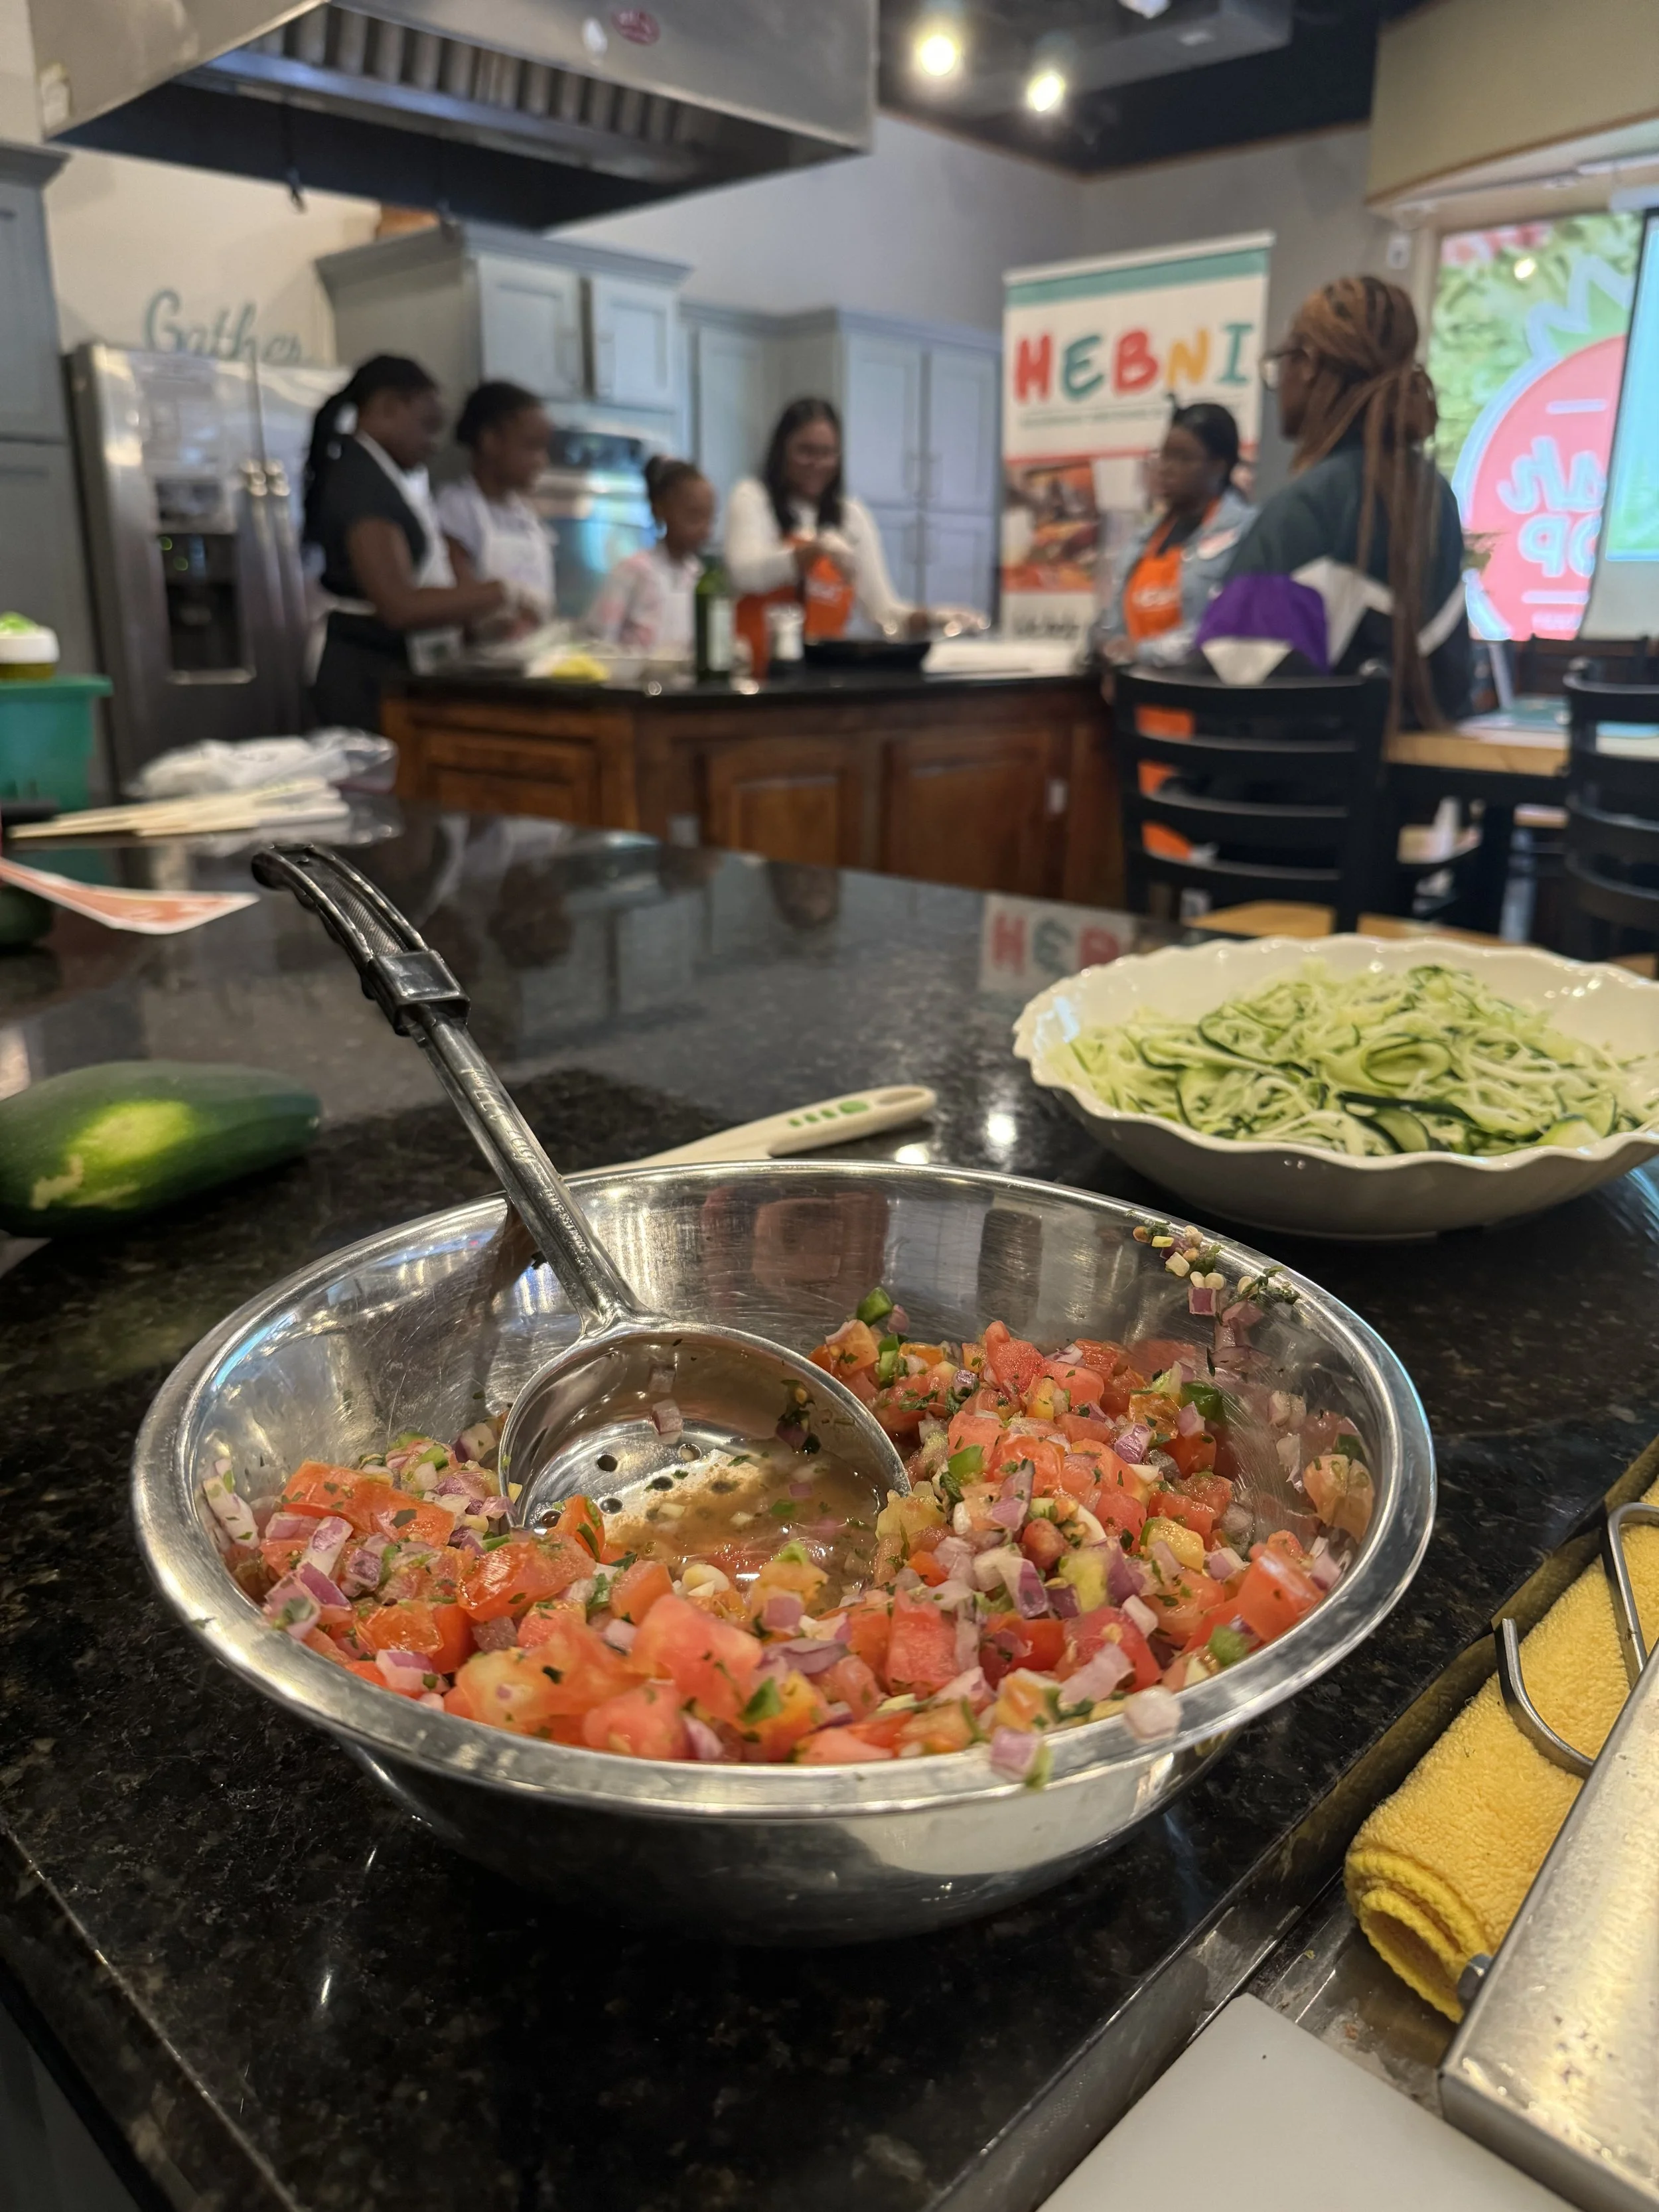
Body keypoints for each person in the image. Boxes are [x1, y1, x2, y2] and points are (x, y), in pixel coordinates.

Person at [1199, 275, 1471, 727]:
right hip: (1398, 796)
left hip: (1277, 796)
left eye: (1280, 363)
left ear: (1307, 364)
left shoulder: (1303, 512)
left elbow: (1226, 713)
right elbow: (1452, 688)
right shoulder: (1433, 498)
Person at [303, 356, 507, 731]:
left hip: (385, 672)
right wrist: (500, 593)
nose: (432, 445)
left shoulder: (381, 476)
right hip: (362, 681)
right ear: (387, 408)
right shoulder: (361, 485)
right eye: (427, 427)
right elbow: (399, 606)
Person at [724, 398, 931, 663]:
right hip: (759, 665)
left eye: (827, 453)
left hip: (825, 668)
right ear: (781, 451)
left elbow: (883, 610)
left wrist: (930, 619)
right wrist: (813, 551)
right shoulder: (752, 497)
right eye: (805, 451)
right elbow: (744, 574)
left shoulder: (851, 515)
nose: (817, 463)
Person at [1093, 404, 1255, 668]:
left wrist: (1141, 652)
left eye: (1183, 458)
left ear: (1218, 466)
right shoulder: (1141, 541)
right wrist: (1104, 645)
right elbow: (1114, 624)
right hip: (1136, 699)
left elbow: (1226, 629)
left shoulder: (1246, 532)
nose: (1167, 469)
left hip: (1202, 700)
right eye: (1165, 457)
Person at [436, 380, 556, 628]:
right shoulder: (457, 508)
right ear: (490, 441)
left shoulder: (524, 516)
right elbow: (462, 600)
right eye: (531, 446)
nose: (542, 461)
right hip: (479, 658)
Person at [586, 457, 716, 656]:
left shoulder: (698, 576)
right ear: (660, 510)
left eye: (709, 519)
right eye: (694, 516)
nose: (705, 530)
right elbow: (598, 641)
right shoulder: (633, 571)